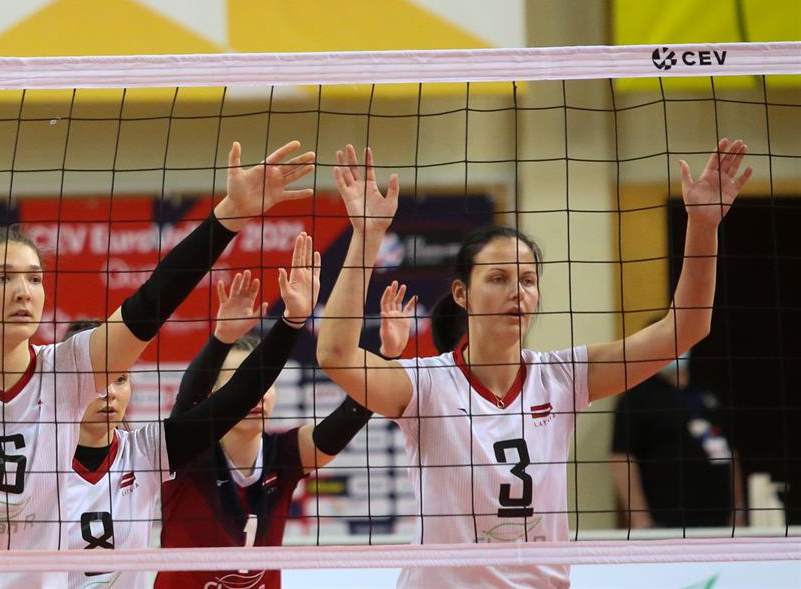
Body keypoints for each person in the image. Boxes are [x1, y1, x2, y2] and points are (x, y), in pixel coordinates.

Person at [0, 91, 315, 589]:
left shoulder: (67, 372)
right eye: (3, 278)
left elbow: (149, 306)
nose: (24, 292)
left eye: (34, 278)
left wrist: (227, 218)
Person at [316, 140, 752, 588]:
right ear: (462, 294)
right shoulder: (427, 384)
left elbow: (685, 329)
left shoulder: (562, 378)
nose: (517, 292)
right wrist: (366, 236)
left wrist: (703, 226)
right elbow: (335, 355)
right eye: (498, 278)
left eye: (527, 280)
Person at [61, 238, 321, 589]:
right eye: (95, 379)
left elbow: (234, 398)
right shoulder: (36, 457)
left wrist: (291, 322)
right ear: (65, 382)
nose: (108, 391)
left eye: (120, 378)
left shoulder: (144, 452)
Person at [155, 254, 391, 589]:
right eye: (243, 386)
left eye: (265, 385)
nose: (257, 395)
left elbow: (343, 423)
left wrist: (387, 358)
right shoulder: (185, 453)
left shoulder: (285, 454)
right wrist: (222, 338)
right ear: (218, 395)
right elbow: (187, 401)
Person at [610, 352, 745, 529]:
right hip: (665, 523)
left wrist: (738, 511)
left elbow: (729, 452)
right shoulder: (637, 396)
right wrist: (640, 519)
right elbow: (621, 457)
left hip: (718, 521)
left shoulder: (706, 390)